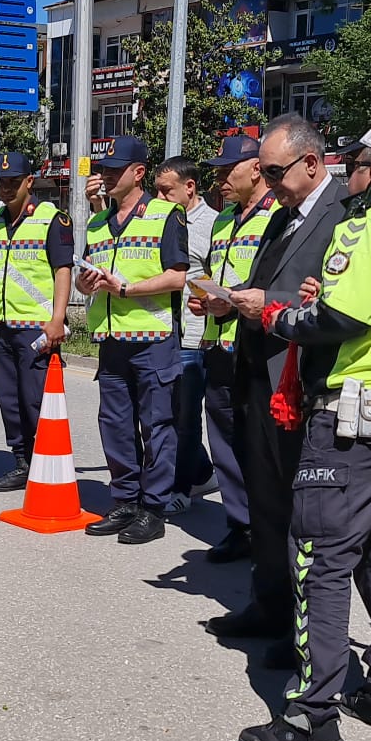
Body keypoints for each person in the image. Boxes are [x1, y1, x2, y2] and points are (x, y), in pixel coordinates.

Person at [233, 118, 371, 741]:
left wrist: (275, 314)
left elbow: (340, 318)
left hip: (353, 416)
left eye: (354, 162)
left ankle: (312, 717)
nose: (347, 172)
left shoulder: (367, 227)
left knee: (320, 562)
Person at [199, 118, 348, 671]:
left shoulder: (344, 215)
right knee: (264, 500)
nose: (268, 180)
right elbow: (261, 287)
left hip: (301, 377)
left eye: (275, 171)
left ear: (313, 162)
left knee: (297, 512)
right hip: (258, 369)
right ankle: (268, 604)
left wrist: (270, 298)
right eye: (262, 170)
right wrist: (227, 301)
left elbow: (338, 297)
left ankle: (303, 630)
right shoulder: (283, 215)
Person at [77, 136, 188, 545]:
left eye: (114, 169)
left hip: (153, 340)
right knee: (116, 426)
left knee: (157, 427)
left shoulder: (165, 214)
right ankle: (124, 500)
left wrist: (127, 290)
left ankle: (152, 508)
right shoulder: (97, 222)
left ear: (138, 172)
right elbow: (86, 276)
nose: (105, 176)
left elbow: (179, 276)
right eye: (104, 169)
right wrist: (86, 284)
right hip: (111, 340)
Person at [0, 152, 75, 492]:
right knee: (5, 393)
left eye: (15, 181)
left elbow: (63, 272)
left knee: (33, 397)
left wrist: (58, 319)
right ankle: (22, 460)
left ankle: (42, 458)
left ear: (30, 181)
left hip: (36, 328)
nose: (8, 188)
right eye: (3, 182)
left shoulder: (52, 219)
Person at [186, 135, 272, 565]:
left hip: (257, 345)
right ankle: (240, 527)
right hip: (216, 343)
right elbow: (208, 271)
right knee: (223, 441)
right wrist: (203, 297)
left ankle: (268, 529)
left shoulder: (278, 216)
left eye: (227, 171)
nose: (219, 179)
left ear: (256, 168)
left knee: (259, 443)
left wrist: (234, 299)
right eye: (217, 172)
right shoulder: (222, 222)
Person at [155, 156, 217, 513]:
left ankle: (181, 488)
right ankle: (204, 471)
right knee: (167, 412)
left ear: (189, 187)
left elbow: (218, 272)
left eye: (167, 191)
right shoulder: (159, 220)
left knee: (186, 416)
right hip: (163, 331)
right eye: (158, 191)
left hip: (194, 334)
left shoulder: (211, 224)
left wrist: (204, 293)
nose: (160, 198)